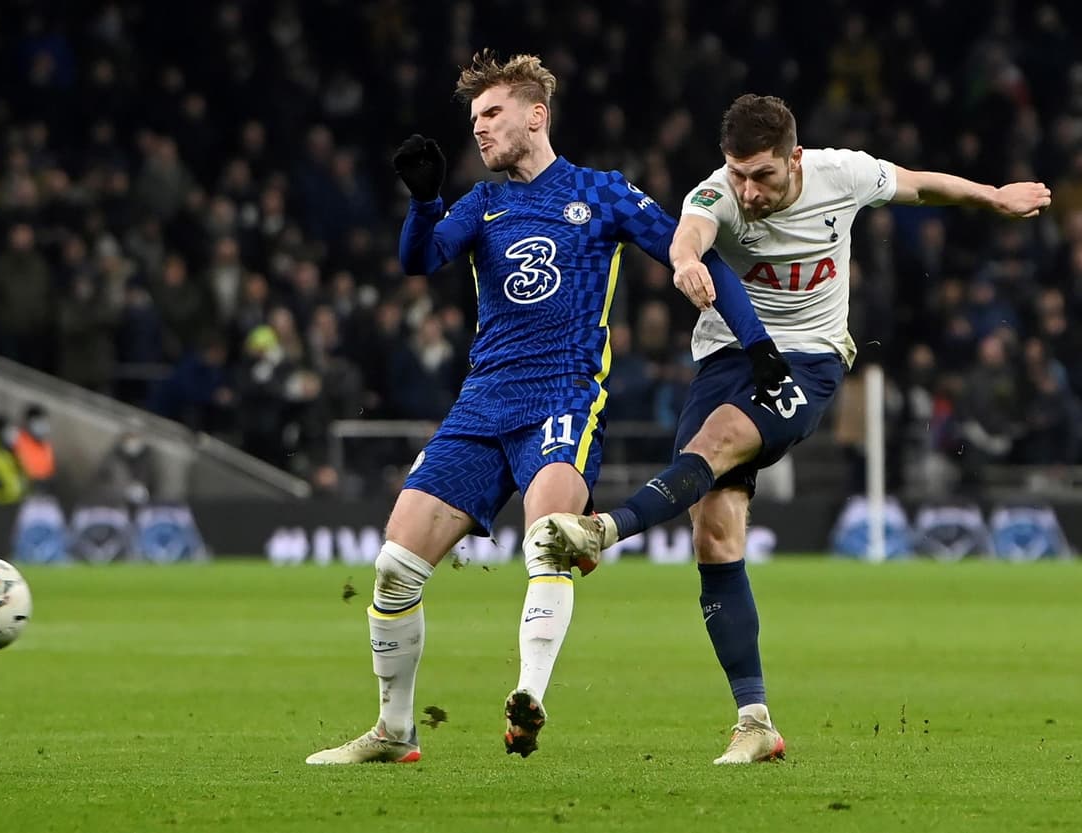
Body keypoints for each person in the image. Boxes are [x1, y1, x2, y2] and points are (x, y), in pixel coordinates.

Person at [537, 93, 1052, 764]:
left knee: (717, 442)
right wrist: (687, 261)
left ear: (795, 159)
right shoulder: (717, 193)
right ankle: (754, 722)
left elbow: (921, 185)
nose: (749, 191)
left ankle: (605, 528)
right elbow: (690, 231)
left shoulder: (843, 173)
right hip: (724, 360)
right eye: (739, 174)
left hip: (808, 361)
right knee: (714, 532)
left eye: (763, 175)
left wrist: (994, 196)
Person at [306, 52, 787, 766]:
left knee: (551, 538)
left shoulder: (602, 193)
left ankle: (527, 695)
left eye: (492, 113)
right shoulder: (481, 203)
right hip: (482, 403)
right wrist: (425, 201)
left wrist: (757, 344)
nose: (479, 128)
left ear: (537, 115)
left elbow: (698, 256)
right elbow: (419, 260)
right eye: (474, 119)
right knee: (393, 567)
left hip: (563, 396)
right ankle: (394, 732)